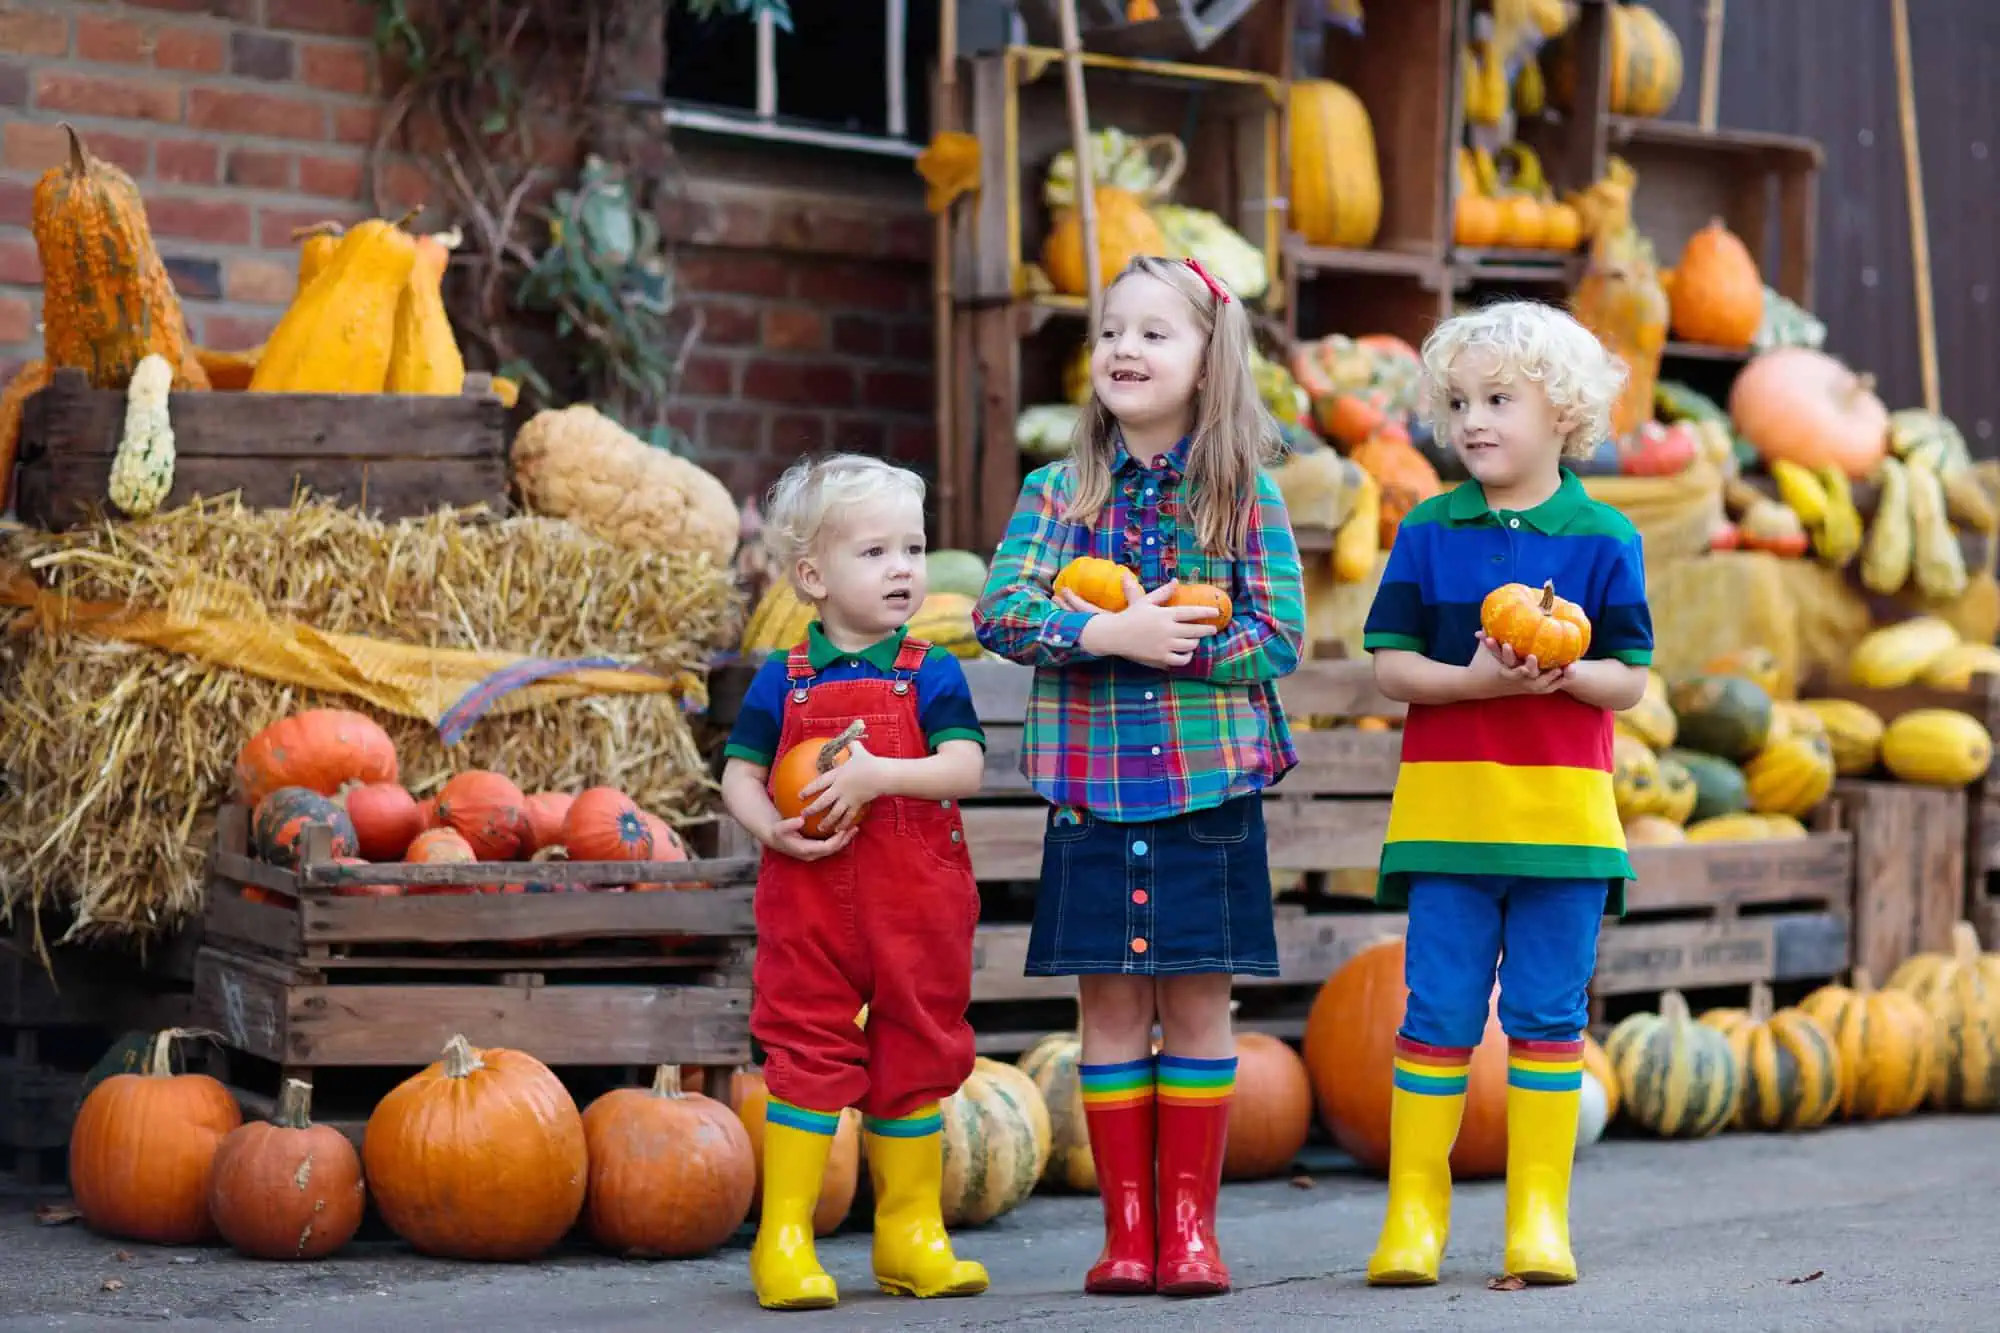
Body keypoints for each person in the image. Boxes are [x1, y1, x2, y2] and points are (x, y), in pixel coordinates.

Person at [974, 255, 1307, 1298]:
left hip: (1208, 799)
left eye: (1153, 334)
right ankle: (1125, 1234)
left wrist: (1179, 642)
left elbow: (1279, 633)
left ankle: (1190, 1233)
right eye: (1109, 331)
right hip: (1091, 796)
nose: (1123, 348)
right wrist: (1103, 627)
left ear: (1210, 363)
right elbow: (999, 613)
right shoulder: (1055, 493)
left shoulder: (1241, 495)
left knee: (1200, 1012)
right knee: (1109, 1013)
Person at [1360, 300, 1653, 1288]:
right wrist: (1477, 684)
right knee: (1435, 1007)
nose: (1473, 419)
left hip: (1564, 828)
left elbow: (1627, 678)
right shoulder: (1427, 530)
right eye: (1457, 401)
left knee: (1545, 1011)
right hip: (1447, 820)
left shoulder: (1604, 535)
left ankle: (1536, 1215)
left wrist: (1559, 671)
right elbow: (1392, 667)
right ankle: (1413, 1215)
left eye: (1498, 398)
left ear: (1561, 413)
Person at [719, 454, 989, 1311]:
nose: (904, 567)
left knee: (913, 1051)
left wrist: (879, 775)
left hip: (915, 908)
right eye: (875, 552)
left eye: (913, 547)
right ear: (812, 576)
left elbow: (965, 767)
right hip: (811, 902)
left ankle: (910, 1232)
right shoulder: (783, 677)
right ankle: (785, 1238)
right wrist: (772, 831)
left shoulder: (930, 669)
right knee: (803, 1055)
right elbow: (739, 773)